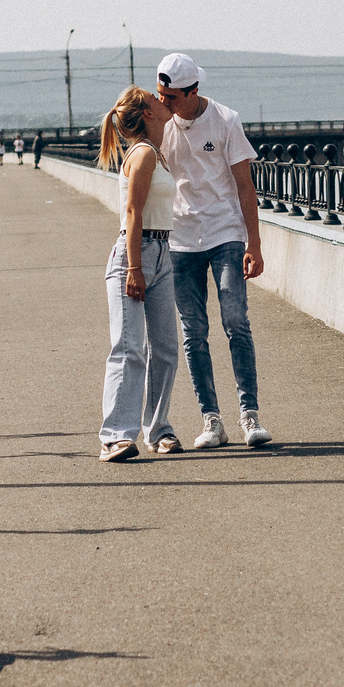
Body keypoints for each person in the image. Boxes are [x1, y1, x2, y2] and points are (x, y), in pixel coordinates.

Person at [152, 52, 271, 448]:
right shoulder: (161, 125)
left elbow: (244, 187)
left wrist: (253, 243)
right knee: (193, 331)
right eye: (160, 95)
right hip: (181, 239)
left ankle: (249, 416)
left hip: (225, 234)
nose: (164, 103)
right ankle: (211, 420)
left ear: (193, 90)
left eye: (170, 97)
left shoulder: (225, 120)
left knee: (236, 320)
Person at [95, 87, 180, 461]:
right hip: (136, 254)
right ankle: (115, 436)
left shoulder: (158, 154)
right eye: (156, 98)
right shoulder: (143, 154)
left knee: (164, 350)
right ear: (148, 114)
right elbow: (132, 213)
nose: (164, 100)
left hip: (162, 252)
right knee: (129, 349)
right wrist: (134, 267)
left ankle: (158, 429)